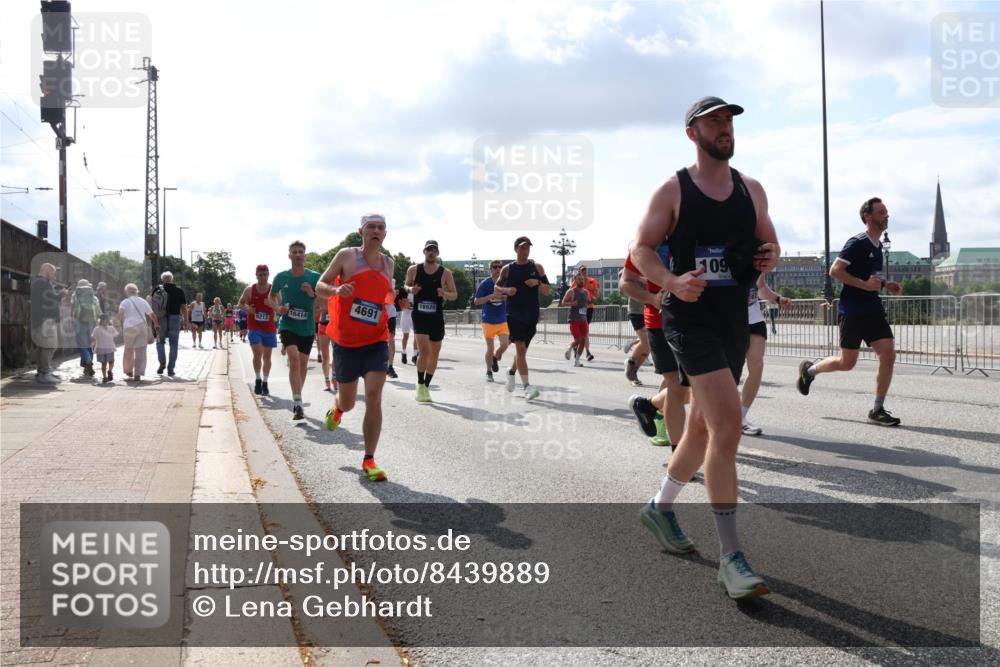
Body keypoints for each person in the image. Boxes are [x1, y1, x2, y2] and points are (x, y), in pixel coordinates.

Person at [631, 96, 779, 600]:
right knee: (726, 426)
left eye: (729, 120)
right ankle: (731, 557)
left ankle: (660, 506)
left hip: (733, 319)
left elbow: (770, 246)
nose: (724, 128)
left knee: (698, 428)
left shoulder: (751, 189)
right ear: (692, 133)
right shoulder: (673, 189)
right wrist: (671, 281)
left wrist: (768, 256)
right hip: (688, 319)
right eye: (713, 121)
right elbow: (641, 249)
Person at [797, 196, 902, 426]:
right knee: (847, 363)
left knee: (888, 355)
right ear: (868, 216)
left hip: (872, 308)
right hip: (852, 309)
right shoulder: (857, 242)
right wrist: (865, 285)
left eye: (887, 212)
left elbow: (869, 277)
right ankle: (810, 371)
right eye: (882, 212)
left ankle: (877, 409)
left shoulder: (878, 246)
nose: (886, 216)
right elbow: (835, 271)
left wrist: (885, 285)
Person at [318, 213, 394, 482]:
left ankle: (369, 458)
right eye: (371, 227)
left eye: (381, 227)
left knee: (374, 395)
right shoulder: (346, 256)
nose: (376, 231)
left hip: (376, 339)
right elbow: (320, 286)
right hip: (347, 342)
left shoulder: (389, 263)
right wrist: (337, 291)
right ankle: (337, 408)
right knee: (349, 402)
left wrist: (396, 300)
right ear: (361, 231)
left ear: (385, 234)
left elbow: (382, 295)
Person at [621, 247, 690, 449]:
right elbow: (625, 282)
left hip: (700, 323)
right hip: (661, 323)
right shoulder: (649, 241)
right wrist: (651, 298)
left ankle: (649, 406)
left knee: (694, 389)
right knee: (677, 387)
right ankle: (679, 452)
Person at [269, 241, 321, 420]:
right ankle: (298, 401)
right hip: (288, 324)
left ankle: (298, 396)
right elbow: (271, 297)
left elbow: (324, 301)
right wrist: (278, 309)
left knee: (303, 364)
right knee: (293, 358)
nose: (298, 254)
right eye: (294, 252)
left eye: (301, 252)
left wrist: (312, 294)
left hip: (306, 327)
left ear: (305, 255)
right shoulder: (281, 277)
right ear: (289, 255)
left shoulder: (315, 277)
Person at [495, 236, 551, 400]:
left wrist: (538, 284)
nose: (525, 251)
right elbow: (496, 286)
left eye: (527, 248)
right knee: (520, 349)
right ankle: (527, 387)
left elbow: (547, 291)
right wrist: (507, 291)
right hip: (514, 313)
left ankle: (511, 372)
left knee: (522, 352)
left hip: (532, 314)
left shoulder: (537, 267)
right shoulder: (507, 269)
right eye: (522, 248)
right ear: (516, 249)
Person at [405, 240, 457, 403]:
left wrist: (445, 293)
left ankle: (426, 386)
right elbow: (405, 286)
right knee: (425, 351)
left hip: (436, 317)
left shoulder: (445, 273)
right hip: (419, 316)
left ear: (438, 253)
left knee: (435, 354)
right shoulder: (414, 269)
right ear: (424, 252)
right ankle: (420, 385)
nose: (431, 253)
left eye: (434, 250)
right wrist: (410, 290)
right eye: (429, 250)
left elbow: (455, 295)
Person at [740, 275, 791, 435]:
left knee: (757, 365)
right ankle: (719, 418)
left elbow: (760, 287)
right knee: (728, 372)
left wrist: (777, 298)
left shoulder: (760, 258)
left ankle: (741, 418)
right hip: (728, 319)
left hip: (754, 319)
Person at [239, 264, 277, 396]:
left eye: (265, 274)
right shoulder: (250, 290)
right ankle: (257, 379)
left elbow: (280, 306)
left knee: (267, 357)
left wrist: (271, 304)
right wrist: (247, 309)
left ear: (268, 274)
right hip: (254, 328)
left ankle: (265, 382)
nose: (262, 277)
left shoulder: (273, 290)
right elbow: (240, 303)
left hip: (269, 328)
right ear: (256, 276)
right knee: (257, 354)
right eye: (260, 275)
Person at [473, 260, 511, 382]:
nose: (498, 269)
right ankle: (489, 371)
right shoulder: (485, 283)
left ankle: (495, 357)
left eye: (500, 267)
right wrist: (491, 296)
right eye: (495, 267)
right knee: (490, 347)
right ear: (490, 269)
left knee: (505, 344)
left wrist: (505, 297)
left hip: (502, 319)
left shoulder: (505, 283)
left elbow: (512, 297)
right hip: (488, 320)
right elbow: (476, 301)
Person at [31, 262, 66, 384]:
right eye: (53, 272)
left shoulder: (39, 282)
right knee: (49, 346)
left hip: (43, 320)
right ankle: (44, 373)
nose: (55, 275)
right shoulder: (42, 283)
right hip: (45, 321)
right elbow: (51, 299)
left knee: (45, 346)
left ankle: (43, 372)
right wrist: (61, 294)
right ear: (46, 271)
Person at [116, 282, 157, 382]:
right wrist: (156, 324)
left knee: (128, 350)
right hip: (141, 327)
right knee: (141, 351)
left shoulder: (125, 302)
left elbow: (120, 315)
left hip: (129, 328)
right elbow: (152, 314)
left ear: (127, 292)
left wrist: (116, 325)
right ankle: (138, 374)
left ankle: (129, 370)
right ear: (136, 291)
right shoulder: (143, 301)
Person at [154, 271, 188, 376]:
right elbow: (184, 308)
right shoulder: (179, 291)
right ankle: (171, 369)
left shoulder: (157, 290)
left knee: (160, 342)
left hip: (161, 318)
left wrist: (154, 322)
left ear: (162, 279)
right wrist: (186, 321)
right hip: (175, 318)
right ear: (172, 279)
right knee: (174, 344)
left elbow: (153, 306)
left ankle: (162, 362)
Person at [71, 279, 101, 377]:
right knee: (90, 344)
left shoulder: (75, 296)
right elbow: (98, 311)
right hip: (92, 322)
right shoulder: (93, 297)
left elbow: (72, 309)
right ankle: (87, 366)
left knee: (82, 344)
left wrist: (72, 321)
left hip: (79, 322)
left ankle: (88, 362)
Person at [561, 273, 590, 367]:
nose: (581, 280)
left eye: (582, 279)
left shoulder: (586, 292)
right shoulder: (571, 291)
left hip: (583, 319)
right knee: (578, 339)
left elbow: (586, 304)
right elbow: (563, 303)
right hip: (574, 319)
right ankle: (569, 347)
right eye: (579, 279)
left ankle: (577, 360)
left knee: (583, 340)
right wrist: (572, 303)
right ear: (575, 280)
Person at [624, 292, 649, 386]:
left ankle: (634, 371)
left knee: (649, 345)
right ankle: (630, 364)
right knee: (646, 342)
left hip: (651, 310)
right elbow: (623, 286)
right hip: (636, 311)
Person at [315, 296, 336, 392]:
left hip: (335, 326)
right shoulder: (320, 294)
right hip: (323, 326)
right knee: (325, 356)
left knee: (336, 355)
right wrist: (323, 309)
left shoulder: (337, 291)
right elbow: (314, 310)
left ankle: (334, 378)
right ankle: (327, 381)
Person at [91, 312, 118, 383]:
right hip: (110, 347)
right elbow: (116, 335)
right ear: (108, 320)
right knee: (111, 361)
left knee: (103, 364)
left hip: (100, 349)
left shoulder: (96, 329)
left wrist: (93, 345)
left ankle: (104, 377)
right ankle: (110, 370)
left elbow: (93, 338)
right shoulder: (111, 328)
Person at [384, 281, 399, 379]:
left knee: (391, 339)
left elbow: (390, 299)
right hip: (378, 313)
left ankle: (390, 367)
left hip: (390, 314)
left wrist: (396, 294)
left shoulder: (392, 280)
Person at [396, 286, 413, 364]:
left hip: (414, 315)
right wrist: (406, 305)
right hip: (406, 315)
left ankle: (415, 354)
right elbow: (401, 304)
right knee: (406, 336)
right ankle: (403, 352)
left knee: (417, 336)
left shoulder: (417, 292)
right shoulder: (405, 291)